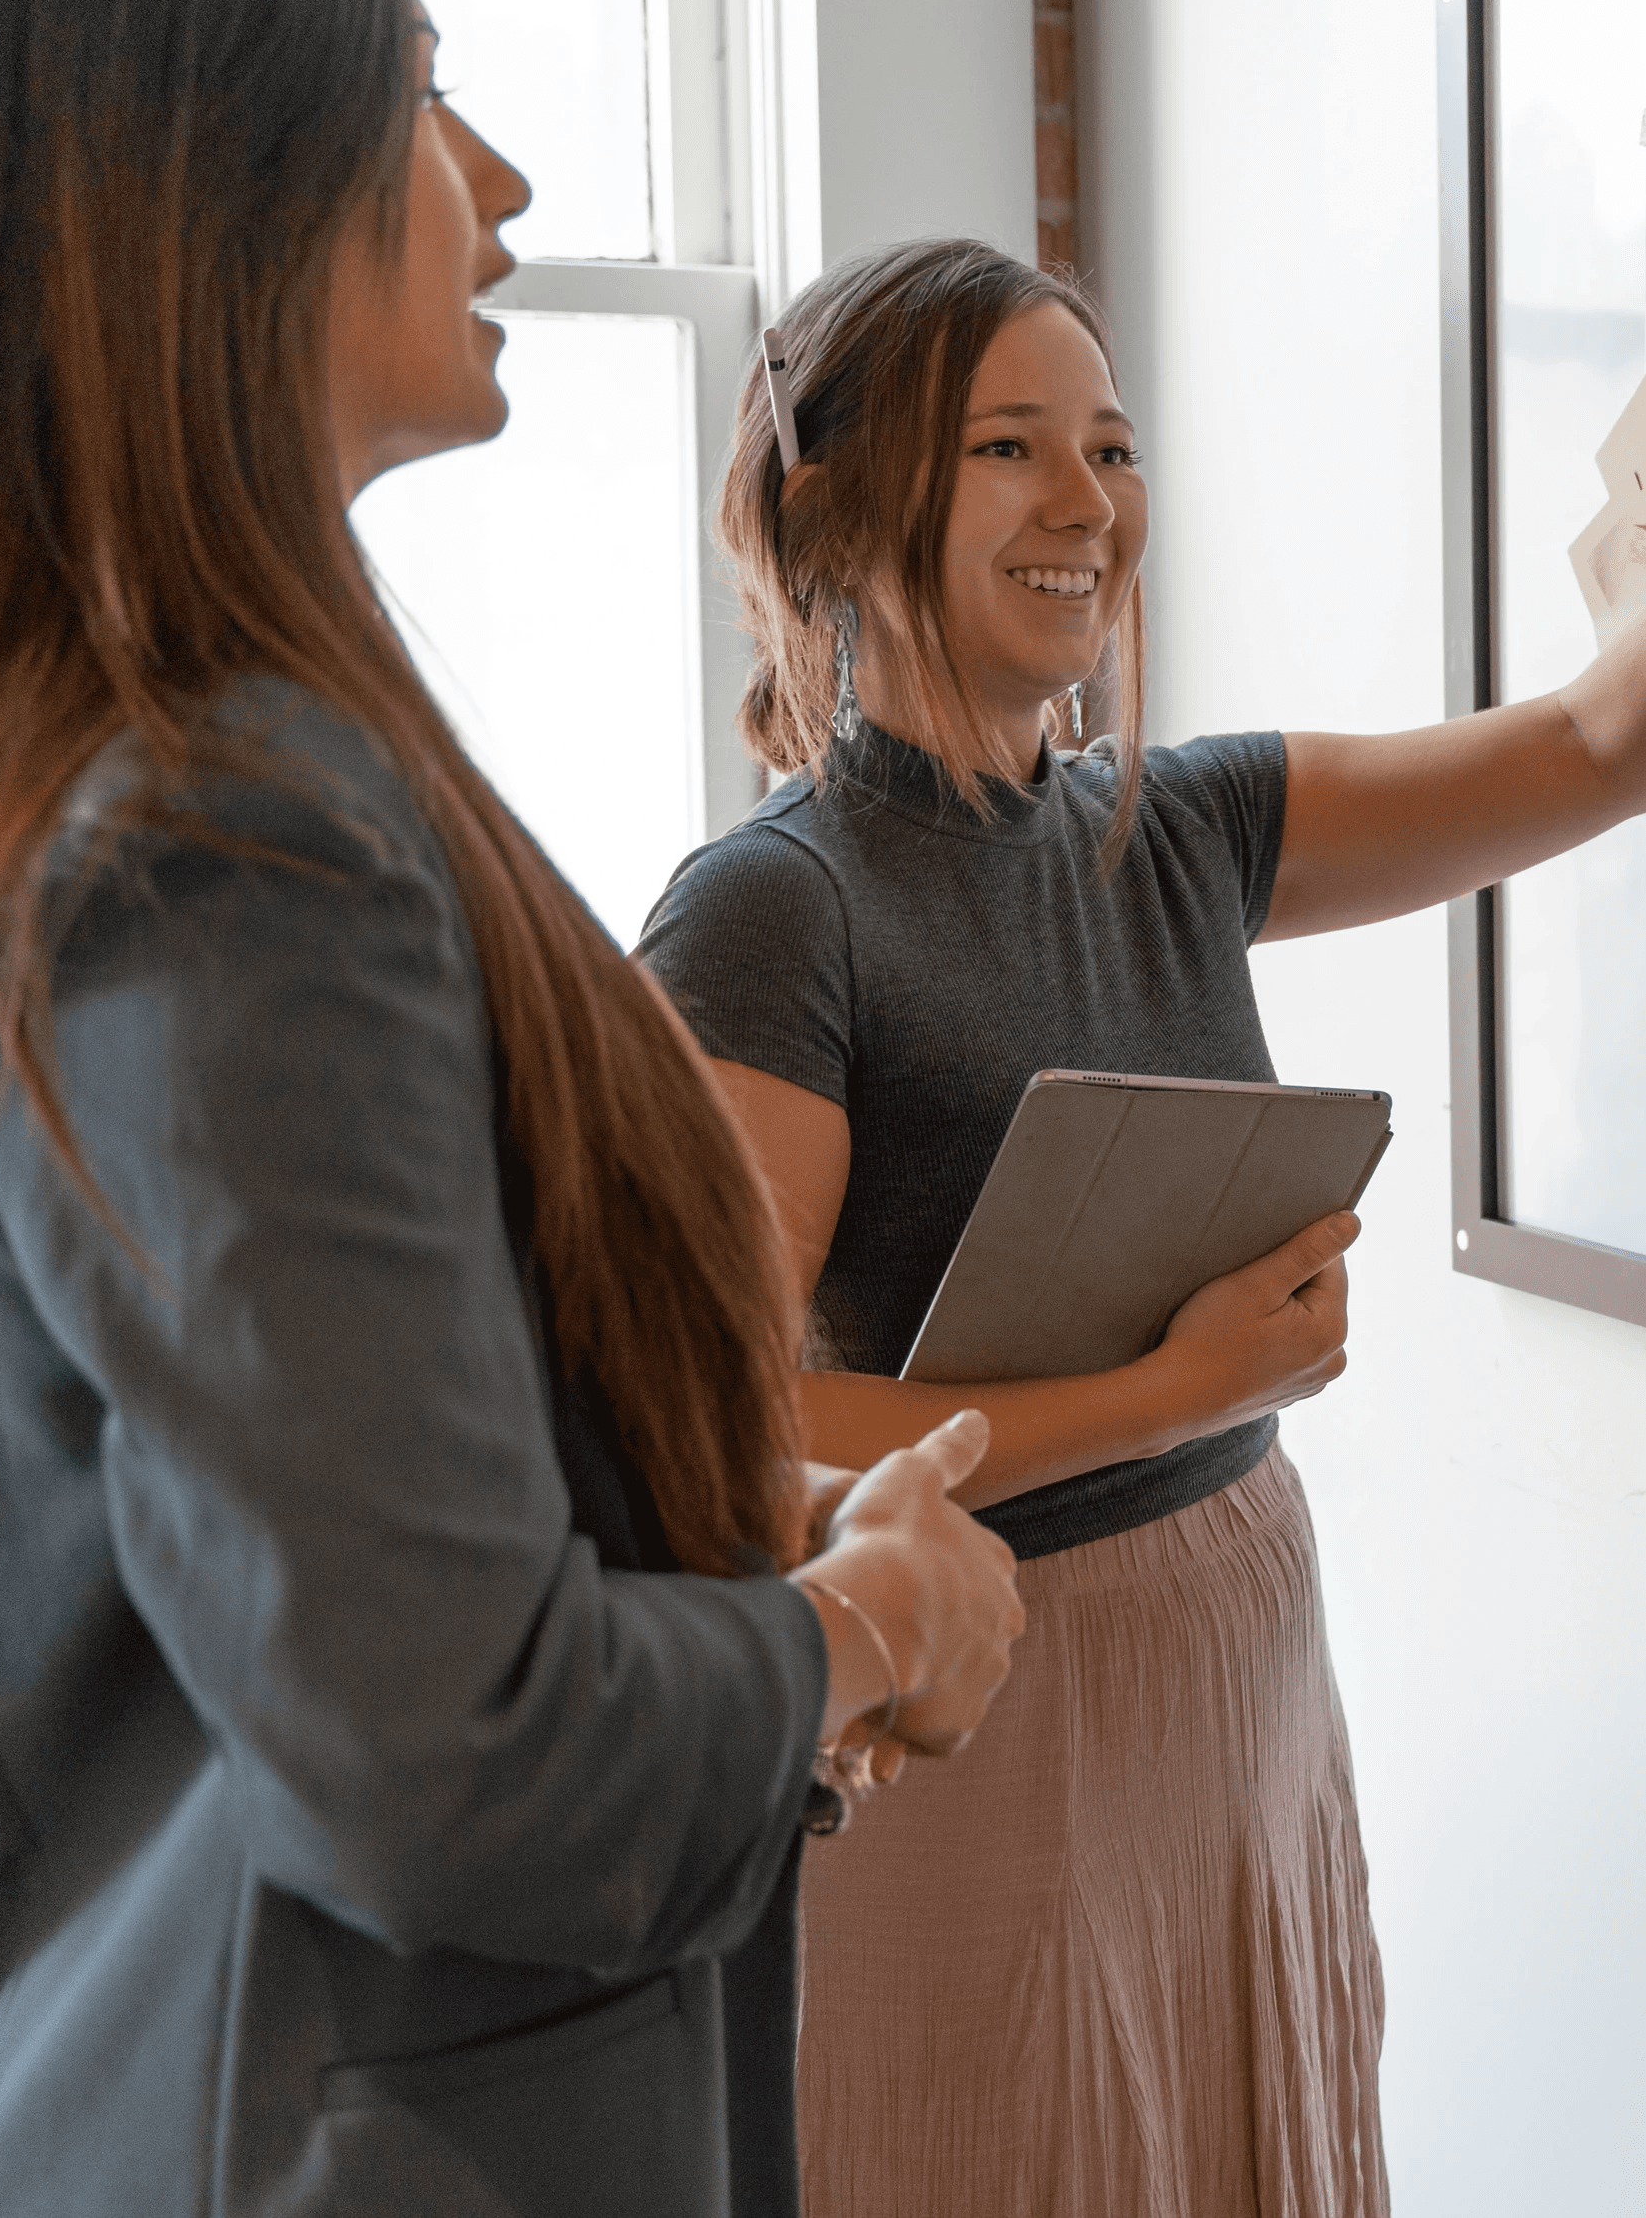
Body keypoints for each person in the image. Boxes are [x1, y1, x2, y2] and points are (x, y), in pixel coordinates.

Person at [0, 0, 1026, 2218]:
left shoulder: (30, 802)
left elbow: (271, 1541)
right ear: (184, 188)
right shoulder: (219, 842)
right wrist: (857, 1627)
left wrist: (723, 1540)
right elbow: (447, 1747)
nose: (504, 182)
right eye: (420, 85)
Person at [638, 239, 1646, 2218]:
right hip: (971, 1693)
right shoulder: (774, 908)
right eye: (1007, 446)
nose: (1085, 501)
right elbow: (713, 1422)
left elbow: (1604, 743)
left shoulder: (1172, 825)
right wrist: (1169, 1388)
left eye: (1105, 442)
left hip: (1231, 1642)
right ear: (837, 510)